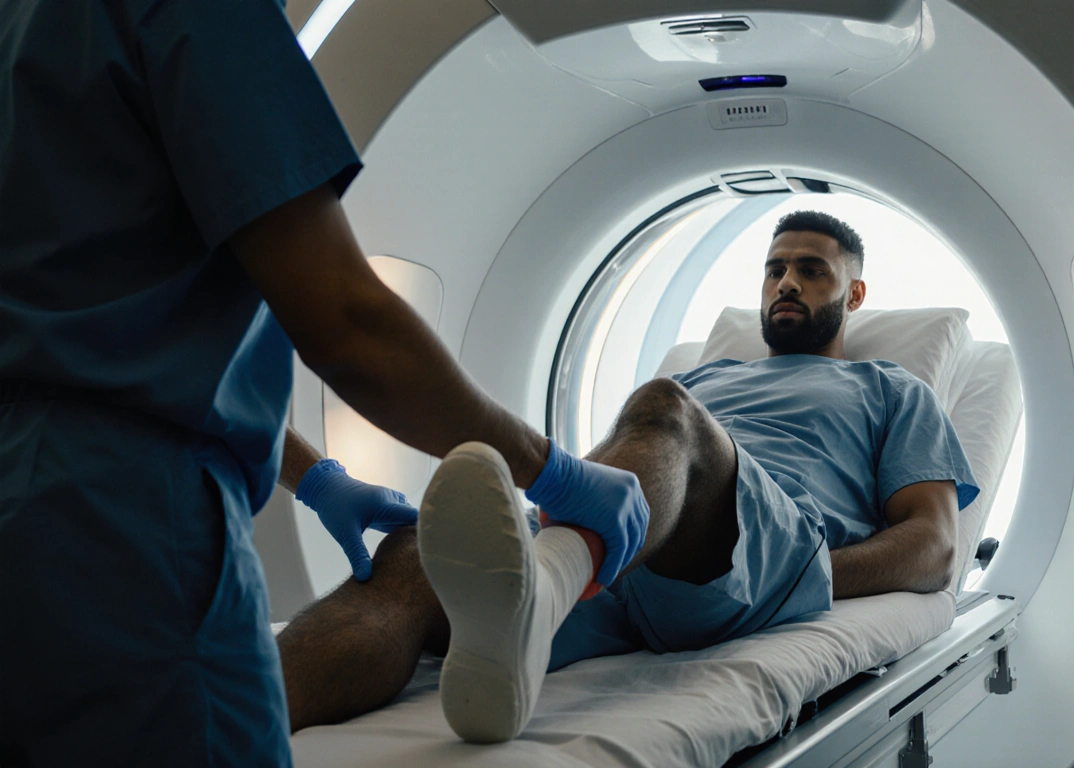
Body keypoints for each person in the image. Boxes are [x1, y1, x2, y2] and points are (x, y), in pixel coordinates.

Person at [0, 2, 646, 765]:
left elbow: (110, 337)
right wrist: (556, 472)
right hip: (119, 534)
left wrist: (317, 479)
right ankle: (536, 601)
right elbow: (348, 322)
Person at [277, 211, 980, 743]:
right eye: (775, 268)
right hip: (630, 549)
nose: (786, 282)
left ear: (854, 293)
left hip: (757, 548)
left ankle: (542, 588)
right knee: (407, 558)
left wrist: (813, 575)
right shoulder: (708, 373)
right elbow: (625, 478)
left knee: (662, 406)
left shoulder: (887, 388)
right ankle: (229, 722)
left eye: (812, 270)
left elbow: (935, 545)